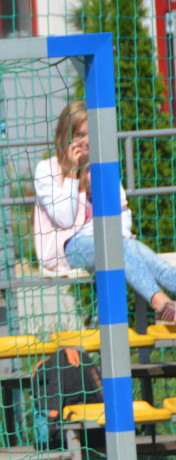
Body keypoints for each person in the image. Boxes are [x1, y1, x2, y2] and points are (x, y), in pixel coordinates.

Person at [34, 100, 176, 323]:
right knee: (118, 246)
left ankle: (166, 306)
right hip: (70, 246)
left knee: (151, 261)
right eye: (80, 134)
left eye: (91, 134)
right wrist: (72, 172)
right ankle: (160, 303)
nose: (87, 141)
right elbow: (64, 218)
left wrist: (120, 234)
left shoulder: (101, 166)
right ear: (66, 136)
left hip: (111, 240)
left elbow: (122, 211)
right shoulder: (47, 170)